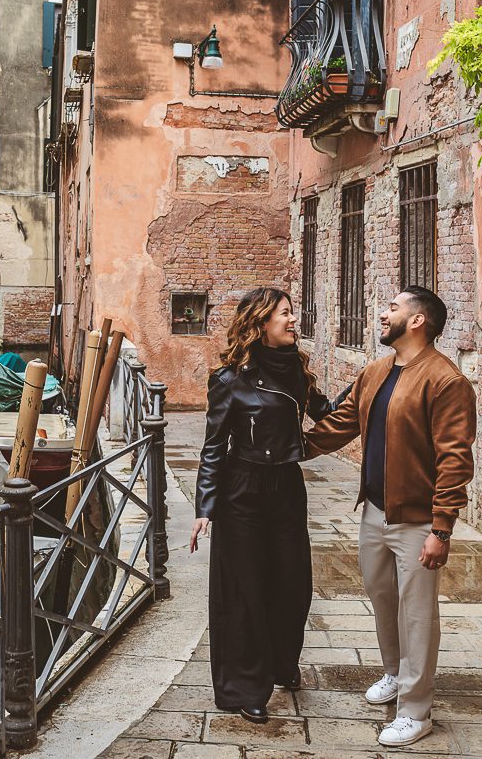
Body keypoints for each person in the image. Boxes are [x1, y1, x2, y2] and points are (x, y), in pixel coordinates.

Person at [304, 285, 475, 748]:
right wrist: (290, 449)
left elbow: (455, 458)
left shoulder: (446, 381)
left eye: (393, 308)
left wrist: (442, 527)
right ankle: (396, 675)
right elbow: (341, 423)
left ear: (418, 321)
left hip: (418, 519)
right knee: (383, 600)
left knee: (416, 614)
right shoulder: (378, 370)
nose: (383, 314)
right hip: (374, 512)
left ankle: (416, 712)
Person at [188, 287, 343, 724]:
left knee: (294, 584)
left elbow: (326, 413)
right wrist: (205, 507)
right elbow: (213, 447)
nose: (294, 320)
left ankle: (280, 662)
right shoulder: (229, 379)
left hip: (287, 487)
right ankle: (245, 687)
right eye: (286, 314)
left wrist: (367, 389)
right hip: (243, 490)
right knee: (245, 591)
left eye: (292, 313)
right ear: (261, 324)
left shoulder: (295, 368)